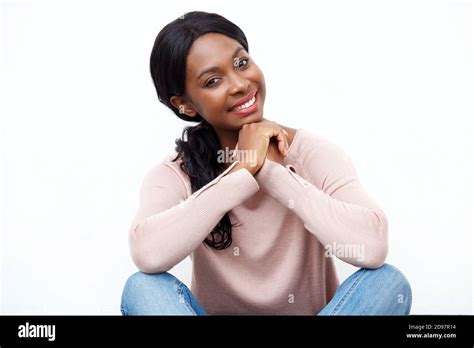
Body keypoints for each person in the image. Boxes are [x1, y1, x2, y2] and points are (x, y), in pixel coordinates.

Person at [120, 11, 412, 315]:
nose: (240, 85)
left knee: (387, 283)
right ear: (185, 104)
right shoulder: (175, 173)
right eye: (214, 80)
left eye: (241, 63)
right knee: (143, 287)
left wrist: (272, 172)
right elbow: (148, 254)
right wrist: (241, 173)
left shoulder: (311, 153)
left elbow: (373, 247)